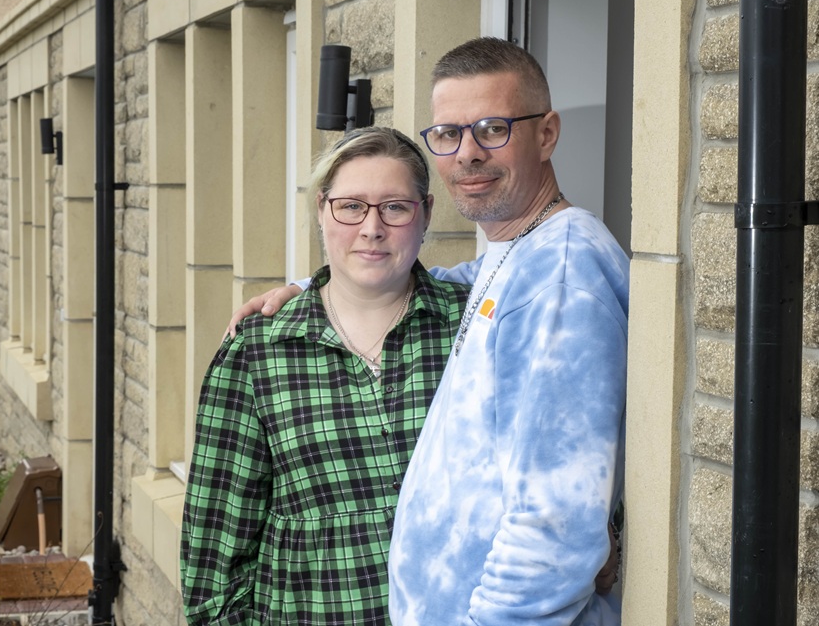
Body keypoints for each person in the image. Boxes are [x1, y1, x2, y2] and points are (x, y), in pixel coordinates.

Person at [228, 37, 629, 625]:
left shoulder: (560, 276)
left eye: (493, 128)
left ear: (546, 134)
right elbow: (437, 280)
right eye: (447, 134)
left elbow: (555, 524)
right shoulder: (515, 257)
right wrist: (313, 287)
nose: (466, 154)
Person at [180, 127, 472, 625]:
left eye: (395, 207)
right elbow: (214, 567)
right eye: (351, 206)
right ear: (322, 210)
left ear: (425, 213)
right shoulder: (258, 354)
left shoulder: (476, 329)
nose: (372, 228)